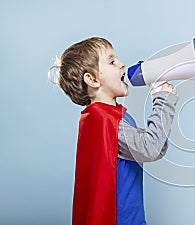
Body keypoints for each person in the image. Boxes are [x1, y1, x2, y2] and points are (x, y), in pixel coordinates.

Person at [52, 37, 178, 225]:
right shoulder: (106, 122)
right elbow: (151, 147)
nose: (122, 64)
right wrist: (162, 101)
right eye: (112, 61)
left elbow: (155, 148)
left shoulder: (113, 117)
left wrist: (163, 102)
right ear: (92, 79)